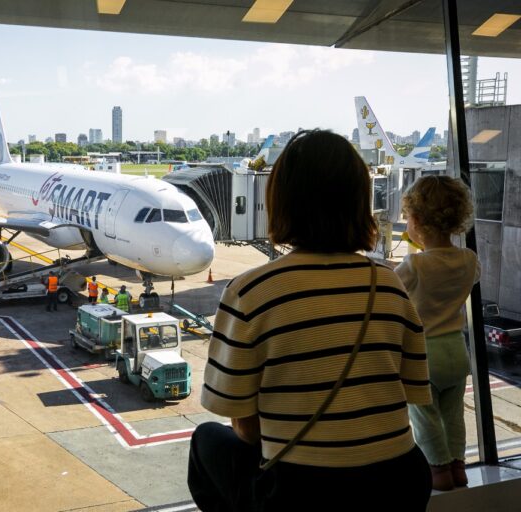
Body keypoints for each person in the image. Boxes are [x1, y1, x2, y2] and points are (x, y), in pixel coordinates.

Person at [188, 130, 433, 511]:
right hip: (400, 483)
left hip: (304, 493)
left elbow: (246, 429)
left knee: (206, 441)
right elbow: (415, 392)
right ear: (360, 201)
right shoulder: (387, 282)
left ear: (279, 201)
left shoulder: (250, 291)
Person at [395, 175, 480, 491]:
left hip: (425, 354)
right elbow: (464, 278)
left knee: (425, 416)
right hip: (457, 351)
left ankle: (439, 471)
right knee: (453, 415)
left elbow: (393, 287)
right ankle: (458, 467)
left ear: (415, 221)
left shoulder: (415, 265)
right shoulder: (468, 260)